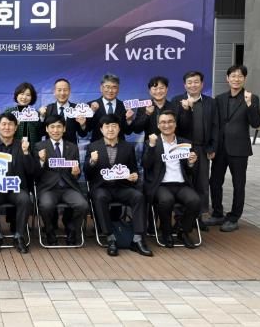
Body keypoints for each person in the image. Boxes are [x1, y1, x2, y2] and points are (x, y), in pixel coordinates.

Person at [84, 114, 152, 257]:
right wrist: (92, 162)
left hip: (122, 187)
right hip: (102, 188)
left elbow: (133, 169)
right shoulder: (93, 147)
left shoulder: (127, 147)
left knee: (138, 197)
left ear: (119, 129)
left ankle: (137, 239)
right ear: (101, 129)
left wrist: (134, 176)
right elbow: (87, 174)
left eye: (114, 126)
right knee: (100, 197)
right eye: (107, 126)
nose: (110, 129)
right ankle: (110, 238)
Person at [206, 65, 260, 232]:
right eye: (233, 76)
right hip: (220, 149)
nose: (236, 79)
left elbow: (256, 123)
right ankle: (217, 213)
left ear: (244, 79)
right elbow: (215, 124)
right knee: (215, 182)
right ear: (227, 78)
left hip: (239, 149)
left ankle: (234, 217)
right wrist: (212, 146)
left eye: (240, 76)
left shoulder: (252, 98)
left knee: (238, 184)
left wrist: (249, 104)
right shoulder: (220, 98)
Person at [142, 110, 200, 248]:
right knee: (166, 200)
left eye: (170, 122)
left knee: (195, 201)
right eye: (163, 122)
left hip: (181, 184)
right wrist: (151, 146)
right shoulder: (151, 143)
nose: (166, 125)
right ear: (158, 125)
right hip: (161, 185)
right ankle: (166, 232)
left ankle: (183, 231)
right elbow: (146, 165)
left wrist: (191, 163)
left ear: (175, 124)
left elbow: (190, 171)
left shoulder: (185, 143)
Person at [0, 112, 37, 254]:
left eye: (10, 124)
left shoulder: (23, 145)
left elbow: (31, 170)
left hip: (16, 189)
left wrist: (26, 153)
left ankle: (19, 236)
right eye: (4, 124)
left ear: (16, 127)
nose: (7, 127)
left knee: (25, 199)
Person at [171, 71, 218, 226]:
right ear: (185, 85)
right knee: (183, 182)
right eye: (189, 82)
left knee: (202, 184)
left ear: (202, 84)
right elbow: (172, 125)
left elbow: (215, 126)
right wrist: (186, 110)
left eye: (196, 82)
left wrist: (212, 147)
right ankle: (180, 217)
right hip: (181, 148)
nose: (193, 85)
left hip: (202, 148)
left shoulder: (210, 102)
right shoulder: (177, 100)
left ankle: (200, 216)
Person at [35, 115, 88, 246]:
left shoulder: (73, 147)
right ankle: (49, 232)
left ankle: (72, 230)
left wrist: (76, 173)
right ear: (47, 129)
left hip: (68, 188)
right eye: (52, 127)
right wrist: (41, 161)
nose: (55, 130)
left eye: (59, 127)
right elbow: (34, 172)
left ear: (64, 129)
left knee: (82, 205)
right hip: (48, 189)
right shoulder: (39, 146)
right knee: (46, 205)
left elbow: (76, 173)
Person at [39, 78, 88, 144]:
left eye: (65, 90)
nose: (62, 93)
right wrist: (42, 117)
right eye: (59, 90)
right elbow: (41, 133)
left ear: (69, 91)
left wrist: (83, 125)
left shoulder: (77, 109)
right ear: (54, 92)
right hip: (51, 148)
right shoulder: (47, 110)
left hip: (71, 148)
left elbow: (83, 134)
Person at [87, 74, 135, 142]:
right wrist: (92, 112)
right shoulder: (90, 105)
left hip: (119, 145)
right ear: (101, 88)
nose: (110, 90)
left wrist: (129, 120)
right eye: (107, 87)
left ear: (118, 89)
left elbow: (128, 132)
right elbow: (87, 129)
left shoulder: (125, 107)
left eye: (114, 87)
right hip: (97, 145)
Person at [4, 82, 42, 150]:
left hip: (33, 149)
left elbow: (40, 132)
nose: (24, 97)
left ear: (32, 97)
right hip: (13, 148)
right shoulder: (9, 112)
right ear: (17, 95)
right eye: (22, 94)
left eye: (28, 95)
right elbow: (4, 131)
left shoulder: (35, 113)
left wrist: (42, 117)